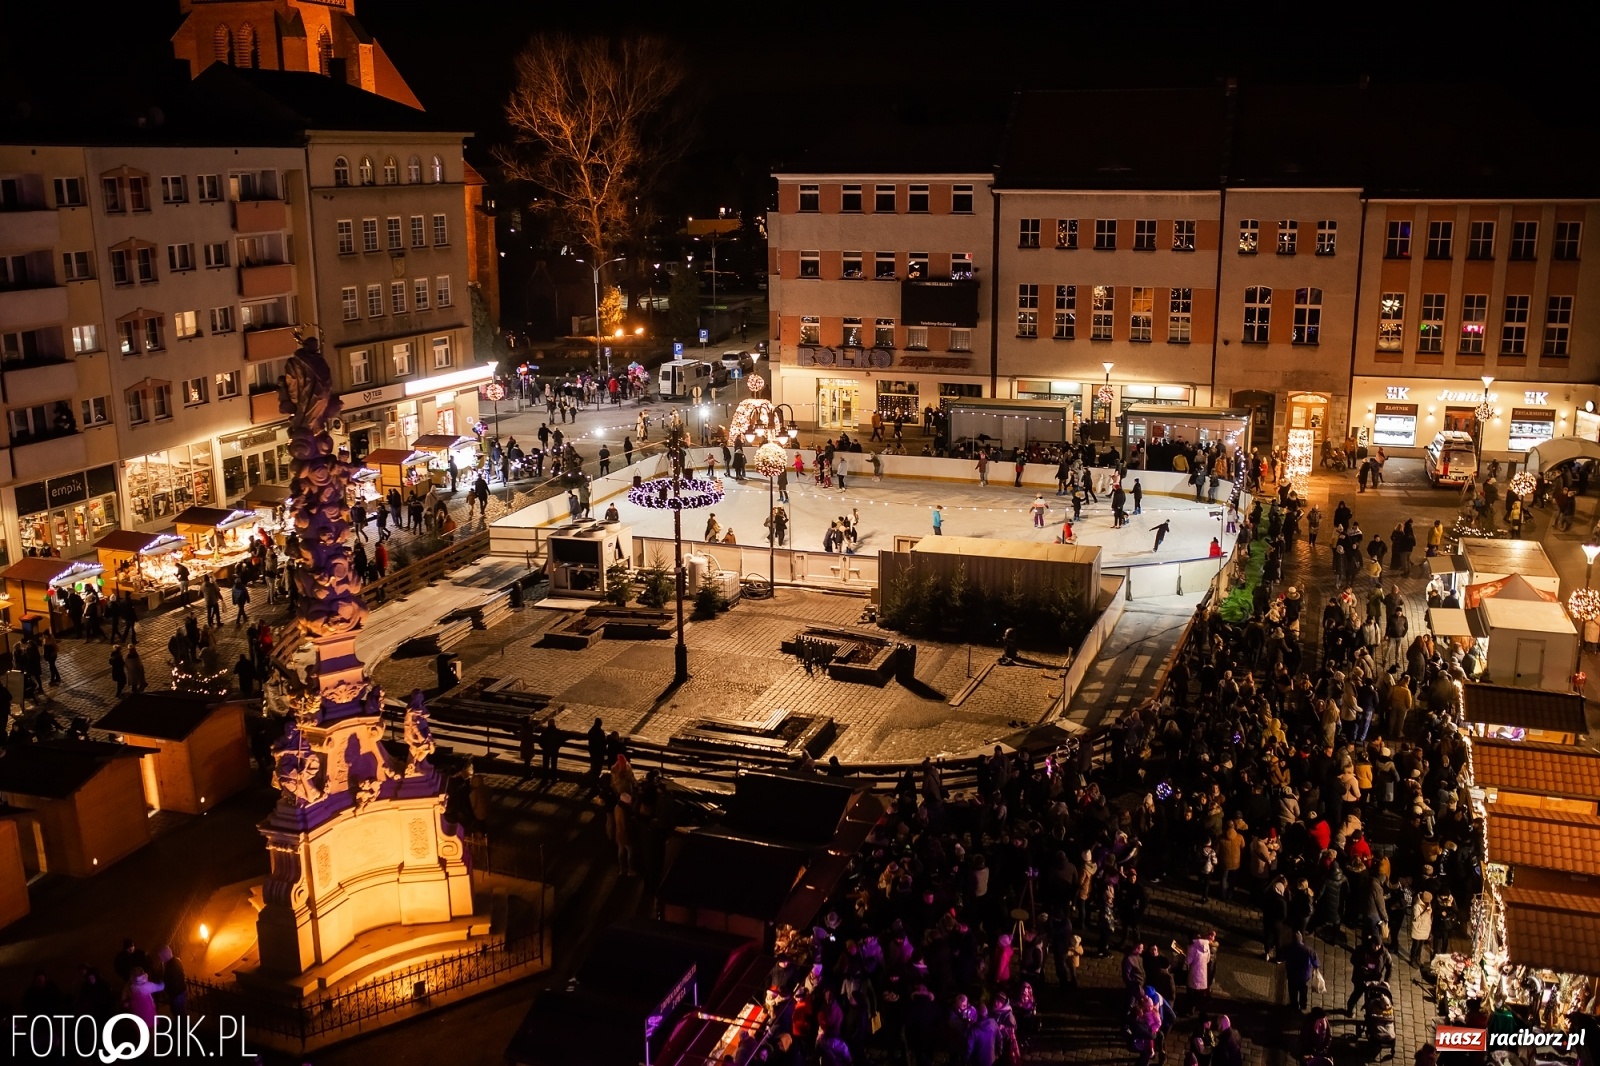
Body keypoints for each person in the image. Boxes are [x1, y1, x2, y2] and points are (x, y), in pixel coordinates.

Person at [1282, 931, 1320, 1011]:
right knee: (1303, 989)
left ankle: (1294, 1005)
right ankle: (1303, 1005)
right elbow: (1316, 963)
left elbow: (1281, 957)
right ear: (1301, 939)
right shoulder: (1309, 951)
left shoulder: (1288, 948)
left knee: (1292, 990)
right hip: (1304, 976)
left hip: (1292, 974)